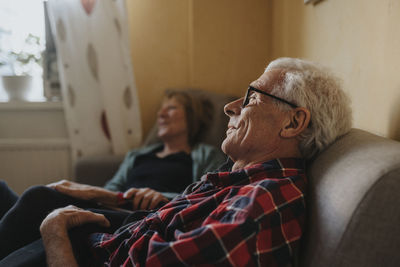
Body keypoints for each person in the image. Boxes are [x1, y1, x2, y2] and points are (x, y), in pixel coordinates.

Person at [4, 57, 352, 266]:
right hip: (114, 236)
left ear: (292, 123)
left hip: (91, 252)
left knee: (39, 205)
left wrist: (56, 234)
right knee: (31, 197)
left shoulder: (261, 203)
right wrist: (113, 198)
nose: (230, 108)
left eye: (250, 98)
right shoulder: (241, 179)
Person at [0, 90, 225, 261]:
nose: (161, 114)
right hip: (112, 205)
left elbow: (204, 197)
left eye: (172, 108)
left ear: (190, 118)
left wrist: (158, 195)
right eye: (161, 109)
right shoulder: (138, 155)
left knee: (38, 197)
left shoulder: (205, 155)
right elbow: (111, 187)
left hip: (143, 215)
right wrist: (108, 195)